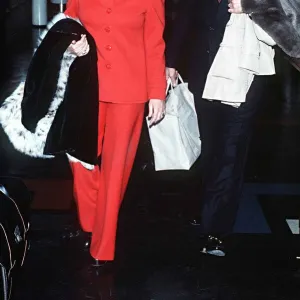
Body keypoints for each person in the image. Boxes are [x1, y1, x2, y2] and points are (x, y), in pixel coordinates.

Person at [64, 0, 166, 266]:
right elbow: (67, 24)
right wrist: (74, 43)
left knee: (116, 167)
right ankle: (92, 219)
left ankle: (103, 246)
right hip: (87, 85)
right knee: (79, 157)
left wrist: (157, 93)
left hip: (129, 90)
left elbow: (154, 43)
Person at [166, 0, 271, 256]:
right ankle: (204, 207)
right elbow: (186, 16)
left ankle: (216, 229)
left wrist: (249, 5)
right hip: (205, 73)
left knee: (230, 152)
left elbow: (285, 16)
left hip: (246, 74)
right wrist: (170, 60)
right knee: (209, 146)